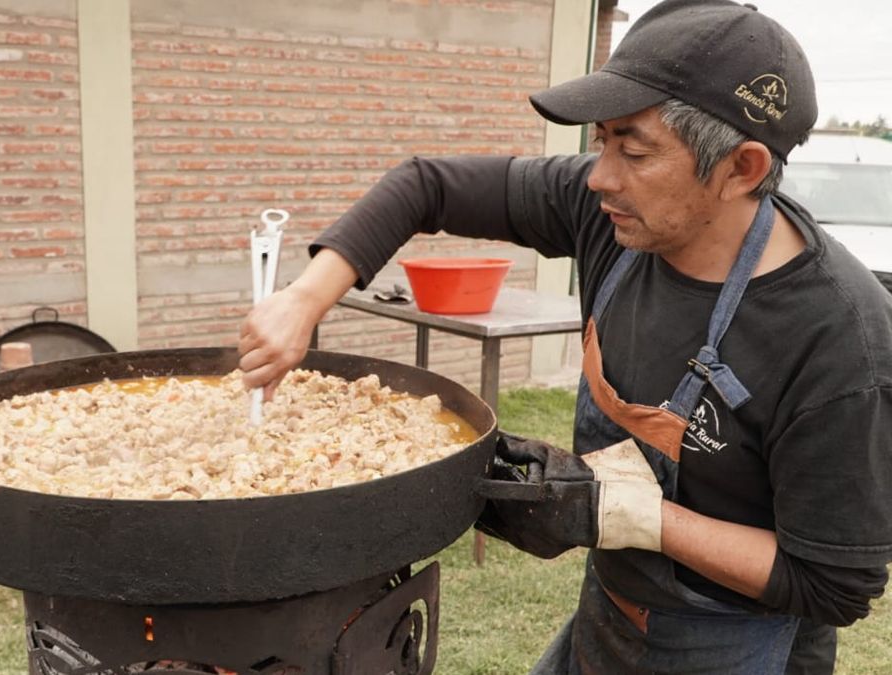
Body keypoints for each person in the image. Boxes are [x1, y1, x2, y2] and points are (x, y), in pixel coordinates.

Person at [236, 0, 892, 672]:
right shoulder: (610, 212)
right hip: (613, 610)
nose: (600, 174)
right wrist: (304, 298)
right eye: (601, 139)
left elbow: (833, 582)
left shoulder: (841, 340)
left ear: (743, 169)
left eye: (632, 149)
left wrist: (634, 514)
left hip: (736, 645)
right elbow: (424, 185)